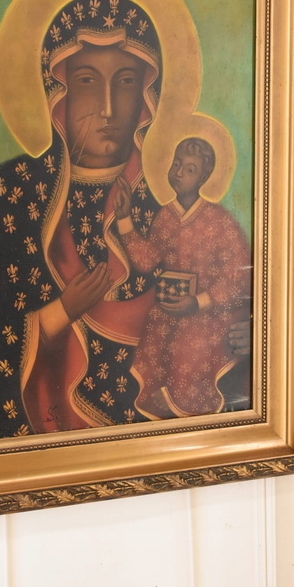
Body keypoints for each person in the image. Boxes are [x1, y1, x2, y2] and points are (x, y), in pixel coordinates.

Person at [0, 0, 167, 441]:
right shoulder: (1, 199)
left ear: (147, 97)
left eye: (125, 81)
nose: (107, 107)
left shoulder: (157, 215)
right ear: (58, 92)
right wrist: (58, 314)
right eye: (86, 81)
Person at [114, 137, 251, 419]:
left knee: (189, 346)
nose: (179, 172)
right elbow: (147, 260)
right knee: (155, 331)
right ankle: (163, 400)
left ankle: (184, 406)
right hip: (171, 308)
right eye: (177, 164)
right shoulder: (165, 216)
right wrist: (124, 218)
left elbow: (236, 276)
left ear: (204, 177)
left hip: (209, 312)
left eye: (190, 169)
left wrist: (199, 302)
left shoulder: (221, 220)